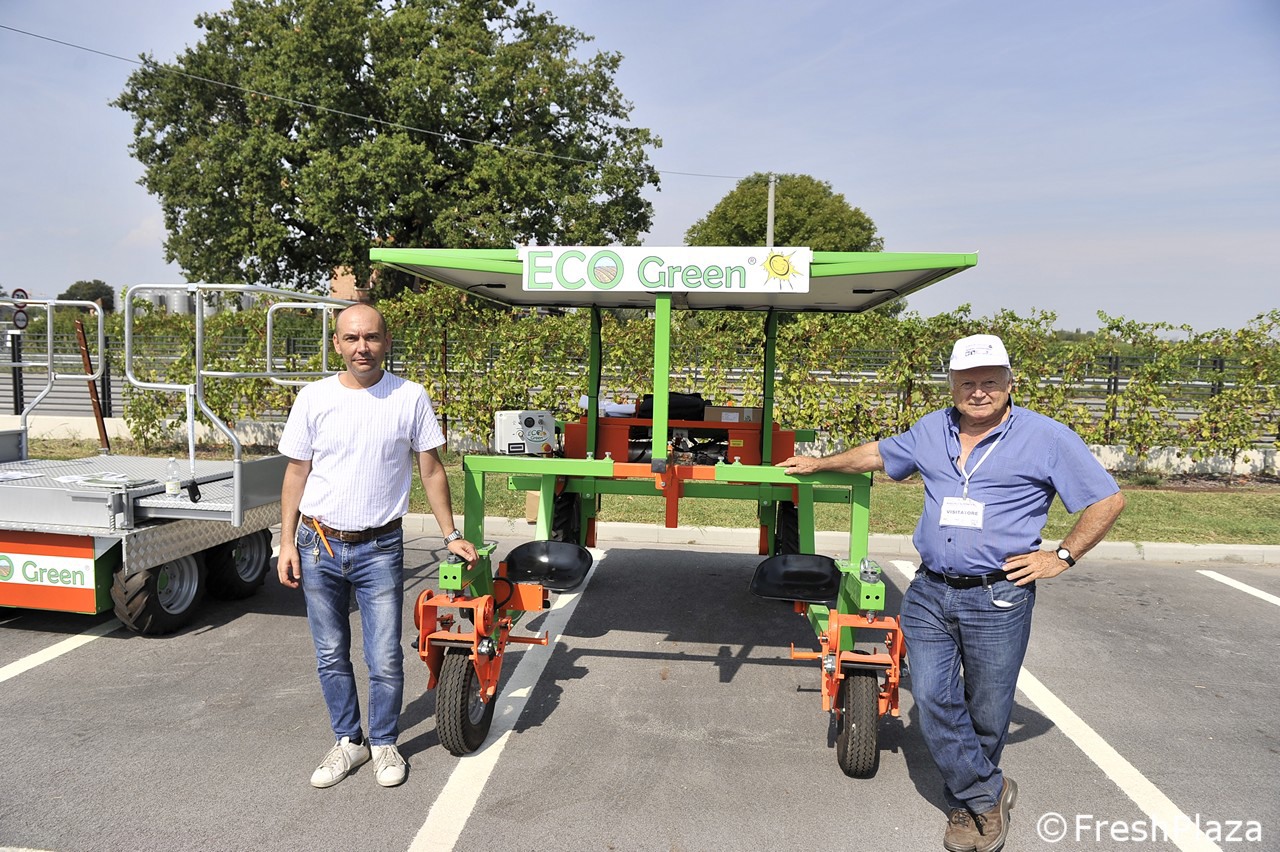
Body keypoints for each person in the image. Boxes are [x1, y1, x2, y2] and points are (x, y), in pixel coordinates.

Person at [778, 333, 1124, 852]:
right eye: (967, 383)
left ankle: (968, 799)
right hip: (930, 591)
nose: (978, 392)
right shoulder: (932, 429)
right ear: (952, 385)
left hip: (999, 595)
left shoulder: (1048, 438)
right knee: (933, 697)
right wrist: (820, 463)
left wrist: (1062, 556)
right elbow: (879, 454)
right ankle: (983, 797)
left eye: (990, 382)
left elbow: (1107, 500)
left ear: (1010, 383)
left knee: (988, 708)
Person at [277, 302, 478, 789]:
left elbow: (431, 469)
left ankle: (385, 741)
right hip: (318, 543)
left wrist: (451, 534)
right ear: (337, 344)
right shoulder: (314, 398)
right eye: (351, 338)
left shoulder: (409, 397)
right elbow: (296, 472)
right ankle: (350, 742)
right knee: (330, 653)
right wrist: (285, 541)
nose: (361, 347)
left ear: (387, 342)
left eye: (370, 337)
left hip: (380, 547)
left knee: (384, 656)